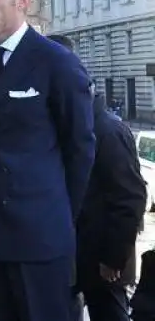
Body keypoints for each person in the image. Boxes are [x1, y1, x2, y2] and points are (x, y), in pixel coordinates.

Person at [0, 0, 96, 321]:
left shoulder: (56, 63)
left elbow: (80, 150)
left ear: (22, 0)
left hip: (39, 240)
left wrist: (54, 215)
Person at [48, 33, 147, 321]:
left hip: (101, 262)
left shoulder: (106, 130)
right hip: (74, 254)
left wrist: (112, 258)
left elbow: (129, 197)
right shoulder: (69, 124)